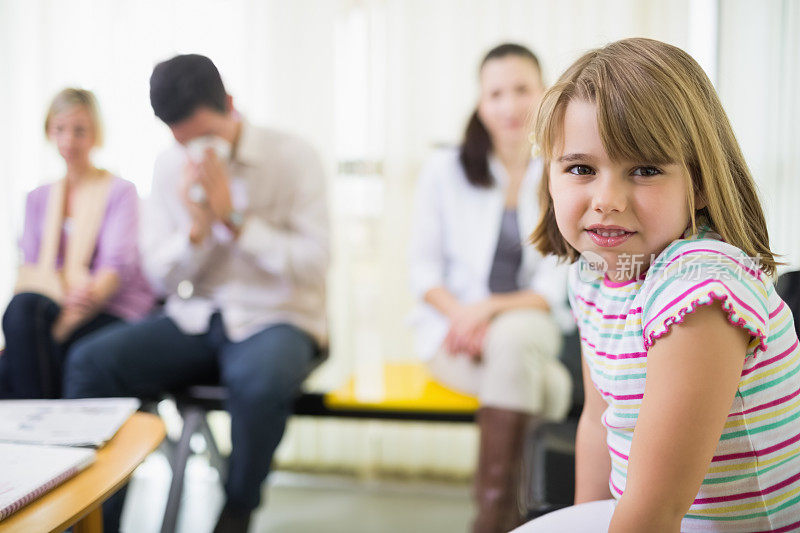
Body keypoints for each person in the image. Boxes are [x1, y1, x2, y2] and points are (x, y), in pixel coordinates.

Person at [517, 37, 800, 532]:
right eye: (581, 168)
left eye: (645, 170)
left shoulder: (700, 288)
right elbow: (597, 422)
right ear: (550, 175)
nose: (607, 199)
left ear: (703, 181)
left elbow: (655, 512)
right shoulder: (594, 275)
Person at [63, 54, 329, 533]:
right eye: (184, 141)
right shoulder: (169, 167)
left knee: (259, 382)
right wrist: (198, 231)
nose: (196, 151)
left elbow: (314, 263)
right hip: (197, 317)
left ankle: (237, 511)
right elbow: (162, 279)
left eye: (206, 135)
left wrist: (236, 222)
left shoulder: (293, 156)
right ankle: (96, 518)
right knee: (90, 362)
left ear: (229, 105)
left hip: (277, 317)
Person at [408, 43, 574, 533]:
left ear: (544, 94)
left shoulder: (564, 168)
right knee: (552, 388)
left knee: (516, 335)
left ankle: (490, 519)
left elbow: (552, 286)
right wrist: (463, 316)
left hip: (526, 326)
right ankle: (507, 518)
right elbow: (423, 274)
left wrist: (485, 311)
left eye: (521, 89)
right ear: (480, 104)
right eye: (495, 93)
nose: (509, 105)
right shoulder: (444, 169)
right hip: (452, 336)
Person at [0, 88, 154, 399]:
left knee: (27, 353)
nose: (69, 141)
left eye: (79, 131)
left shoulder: (119, 191)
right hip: (53, 304)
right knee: (18, 314)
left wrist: (72, 315)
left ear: (95, 134)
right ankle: (43, 432)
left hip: (108, 306)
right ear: (49, 132)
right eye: (60, 130)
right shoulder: (38, 198)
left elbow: (115, 268)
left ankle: (44, 433)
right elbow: (31, 270)